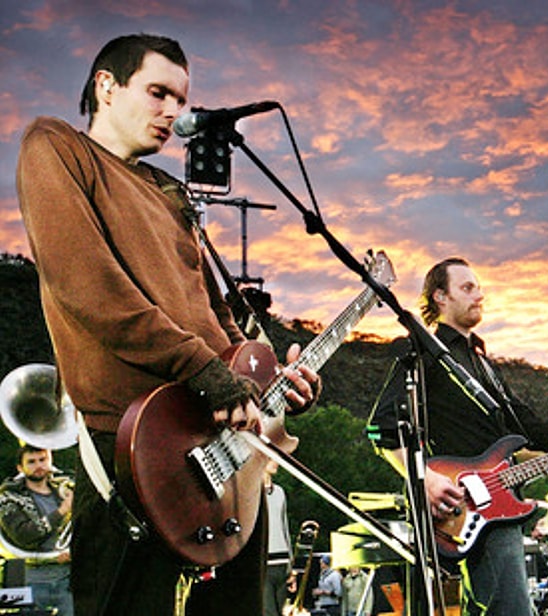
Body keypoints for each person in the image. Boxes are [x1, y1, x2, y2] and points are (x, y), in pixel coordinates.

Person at [16, 34, 320, 615]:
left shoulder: (171, 192)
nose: (173, 112)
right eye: (158, 93)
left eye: (181, 100)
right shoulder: (57, 146)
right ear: (107, 86)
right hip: (133, 442)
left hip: (223, 450)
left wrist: (268, 383)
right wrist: (205, 370)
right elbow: (91, 289)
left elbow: (220, 319)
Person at [368, 257, 548, 615]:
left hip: (498, 505)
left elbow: (530, 427)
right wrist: (425, 478)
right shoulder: (422, 352)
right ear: (440, 297)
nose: (479, 295)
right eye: (467, 288)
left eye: (479, 288)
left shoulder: (482, 363)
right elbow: (383, 427)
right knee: (510, 609)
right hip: (457, 505)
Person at [0, 445, 74, 615]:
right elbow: (24, 535)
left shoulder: (66, 491)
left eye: (43, 460)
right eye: (31, 462)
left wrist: (74, 551)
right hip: (32, 579)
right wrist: (61, 511)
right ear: (20, 468)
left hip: (68, 579)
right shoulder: (8, 497)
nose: (39, 465)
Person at [264, 460, 293, 616]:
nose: (276, 463)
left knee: (284, 611)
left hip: (282, 562)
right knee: (269, 611)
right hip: (264, 563)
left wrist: (291, 566)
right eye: (271, 459)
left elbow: (284, 526)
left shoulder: (280, 492)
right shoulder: (252, 493)